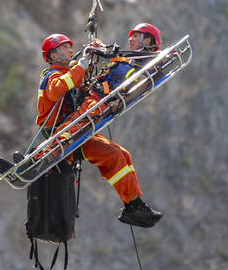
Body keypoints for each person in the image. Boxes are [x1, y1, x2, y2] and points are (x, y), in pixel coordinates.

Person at [32, 32, 163, 229]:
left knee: (121, 155)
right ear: (53, 56)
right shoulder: (51, 75)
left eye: (70, 46)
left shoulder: (69, 74)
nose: (70, 50)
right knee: (106, 150)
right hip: (62, 134)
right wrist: (81, 66)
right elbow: (57, 90)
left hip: (77, 132)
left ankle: (133, 206)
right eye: (65, 47)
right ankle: (42, 157)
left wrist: (90, 58)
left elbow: (76, 85)